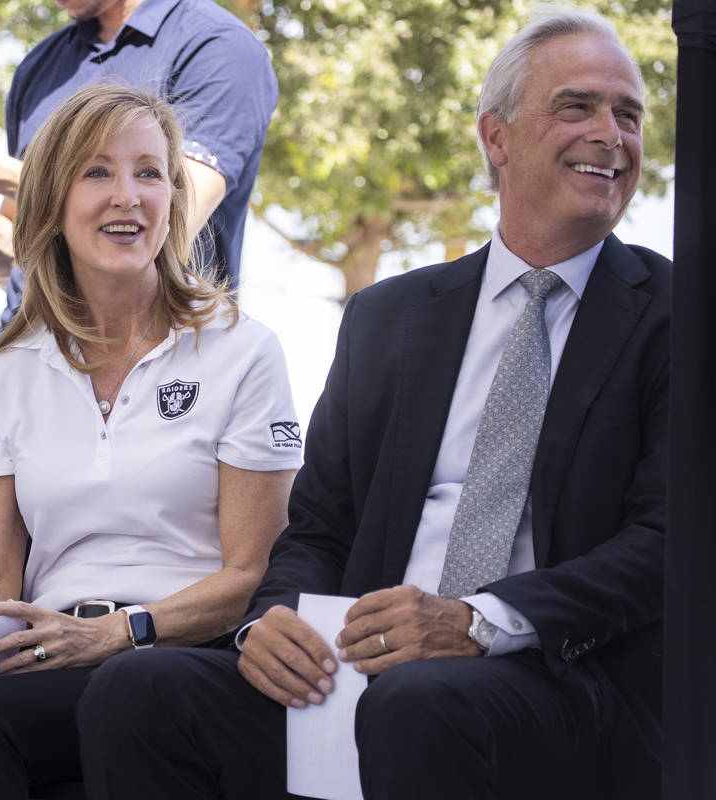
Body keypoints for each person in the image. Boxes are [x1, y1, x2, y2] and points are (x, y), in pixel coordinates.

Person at [79, 8, 667, 800]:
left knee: (419, 704)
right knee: (138, 693)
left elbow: (670, 542)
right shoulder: (390, 315)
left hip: (563, 679)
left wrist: (479, 622)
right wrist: (272, 621)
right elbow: (320, 523)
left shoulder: (675, 314)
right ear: (496, 137)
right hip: (361, 669)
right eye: (578, 107)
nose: (612, 134)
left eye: (628, 115)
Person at [0, 82, 302, 799]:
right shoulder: (6, 369)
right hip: (48, 650)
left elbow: (253, 574)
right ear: (53, 203)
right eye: (97, 172)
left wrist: (121, 631)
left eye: (149, 172)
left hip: (184, 653)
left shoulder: (242, 352)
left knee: (12, 718)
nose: (128, 195)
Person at [0, 0, 278, 327]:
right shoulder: (38, 67)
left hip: (158, 372)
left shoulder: (218, 47)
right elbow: (23, 262)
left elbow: (172, 218)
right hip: (29, 364)